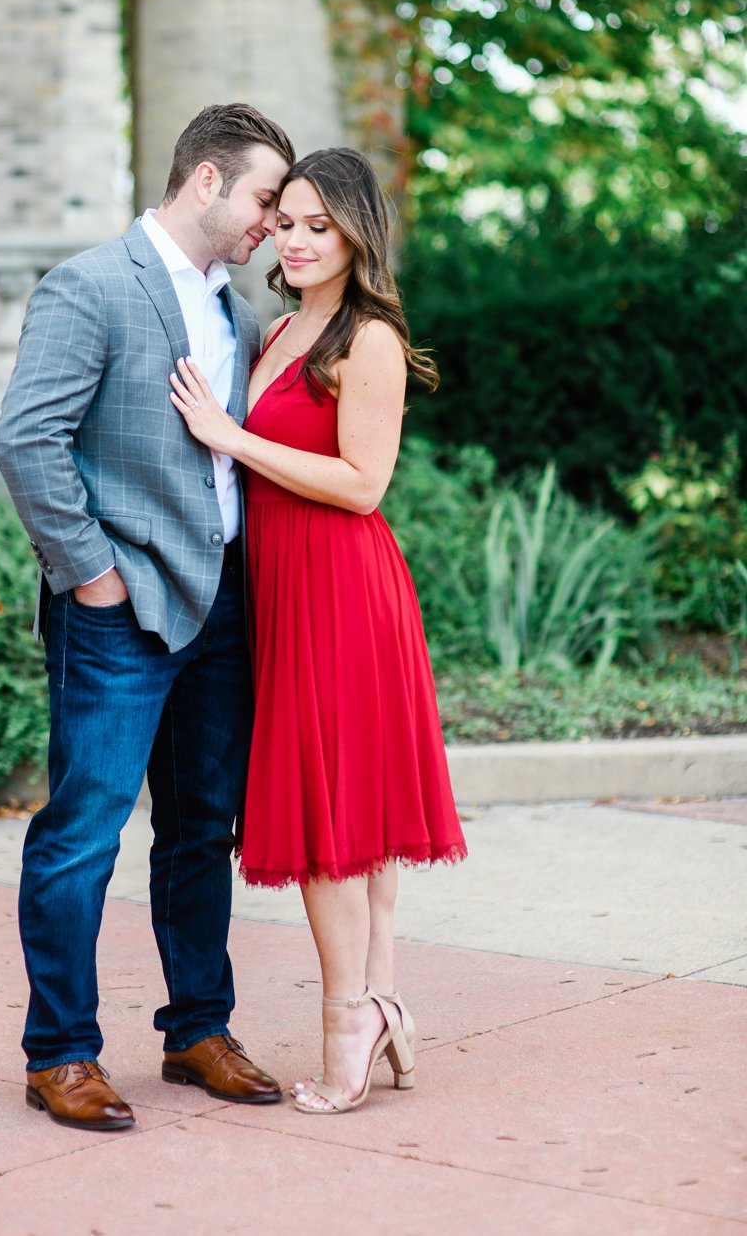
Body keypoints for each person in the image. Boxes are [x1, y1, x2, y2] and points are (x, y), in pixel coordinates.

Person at [0, 103, 295, 1131]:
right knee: (83, 833)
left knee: (201, 830)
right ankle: (60, 1053)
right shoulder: (89, 286)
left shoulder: (233, 313)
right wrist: (91, 578)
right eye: (262, 198)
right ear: (206, 181)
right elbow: (28, 440)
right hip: (119, 614)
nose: (271, 223)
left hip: (221, 609)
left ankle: (197, 1029)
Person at [169, 146, 467, 1116]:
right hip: (286, 590)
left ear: (354, 235)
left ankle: (349, 1023)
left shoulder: (365, 338)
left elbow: (361, 485)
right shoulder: (283, 329)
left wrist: (232, 436)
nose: (294, 241)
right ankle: (379, 1001)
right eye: (285, 222)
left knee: (336, 823)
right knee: (356, 820)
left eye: (316, 227)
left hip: (344, 591)